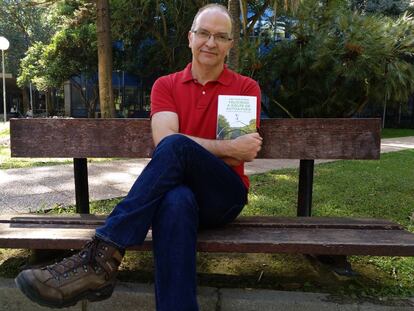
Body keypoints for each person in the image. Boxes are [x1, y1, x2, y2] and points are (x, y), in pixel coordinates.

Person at [15, 4, 262, 311]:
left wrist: (201, 149)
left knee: (176, 148)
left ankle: (102, 256)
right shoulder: (167, 85)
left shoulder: (244, 87)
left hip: (222, 196)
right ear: (190, 38)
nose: (210, 42)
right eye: (203, 33)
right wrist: (225, 147)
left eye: (220, 36)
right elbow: (170, 141)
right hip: (176, 194)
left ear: (229, 44)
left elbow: (234, 156)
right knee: (176, 199)